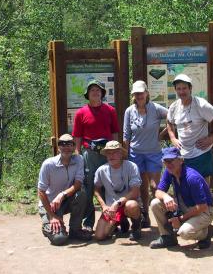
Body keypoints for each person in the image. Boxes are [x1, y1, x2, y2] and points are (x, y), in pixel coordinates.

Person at [72, 80, 119, 232]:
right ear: (88, 94)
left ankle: (111, 221)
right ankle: (88, 222)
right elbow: (77, 135)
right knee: (89, 187)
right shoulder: (81, 113)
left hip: (108, 154)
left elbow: (114, 133)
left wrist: (116, 150)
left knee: (108, 186)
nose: (95, 92)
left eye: (98, 90)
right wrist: (77, 153)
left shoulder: (110, 110)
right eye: (92, 90)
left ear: (102, 93)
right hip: (89, 154)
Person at [149, 147, 213, 249]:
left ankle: (206, 233)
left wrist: (180, 219)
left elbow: (202, 206)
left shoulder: (191, 177)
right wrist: (166, 197)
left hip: (205, 211)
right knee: (155, 203)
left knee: (184, 232)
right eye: (166, 161)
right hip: (184, 206)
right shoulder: (169, 172)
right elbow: (158, 192)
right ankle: (167, 238)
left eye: (172, 160)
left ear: (180, 160)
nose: (169, 164)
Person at [123, 80, 168, 228]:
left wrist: (164, 134)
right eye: (136, 93)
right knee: (141, 187)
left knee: (155, 186)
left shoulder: (155, 108)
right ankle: (145, 215)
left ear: (147, 93)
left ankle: (165, 217)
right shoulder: (129, 111)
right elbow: (126, 135)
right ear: (133, 95)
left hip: (153, 153)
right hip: (136, 154)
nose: (139, 96)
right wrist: (126, 154)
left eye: (141, 93)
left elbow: (172, 116)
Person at [167, 74, 213, 178]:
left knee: (202, 187)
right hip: (183, 155)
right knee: (185, 186)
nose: (182, 92)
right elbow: (169, 122)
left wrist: (212, 139)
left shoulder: (201, 105)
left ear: (190, 88)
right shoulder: (174, 107)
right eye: (179, 89)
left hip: (201, 153)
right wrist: (173, 138)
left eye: (184, 88)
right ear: (175, 90)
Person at [37, 134, 91, 246]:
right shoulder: (48, 164)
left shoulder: (79, 160)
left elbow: (78, 184)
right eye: (62, 144)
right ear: (58, 147)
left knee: (81, 194)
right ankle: (47, 226)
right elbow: (41, 191)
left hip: (65, 200)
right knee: (59, 239)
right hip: (50, 205)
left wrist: (62, 195)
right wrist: (52, 215)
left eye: (69, 144)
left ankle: (75, 230)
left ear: (74, 146)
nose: (66, 147)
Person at [93, 141, 142, 241]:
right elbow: (96, 190)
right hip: (111, 209)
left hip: (127, 203)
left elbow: (135, 192)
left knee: (132, 205)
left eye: (115, 152)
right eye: (109, 153)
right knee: (99, 236)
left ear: (121, 154)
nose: (111, 155)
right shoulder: (101, 170)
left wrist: (118, 203)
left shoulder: (131, 166)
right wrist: (103, 206)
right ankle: (121, 222)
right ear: (106, 155)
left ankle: (136, 228)